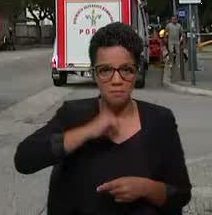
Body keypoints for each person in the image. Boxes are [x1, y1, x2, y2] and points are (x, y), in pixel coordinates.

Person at [15, 23, 191, 214]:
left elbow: (181, 193)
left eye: (126, 69)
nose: (116, 80)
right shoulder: (73, 115)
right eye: (105, 70)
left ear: (136, 71)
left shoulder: (160, 121)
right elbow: (24, 160)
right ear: (94, 74)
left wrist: (146, 188)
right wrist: (88, 131)